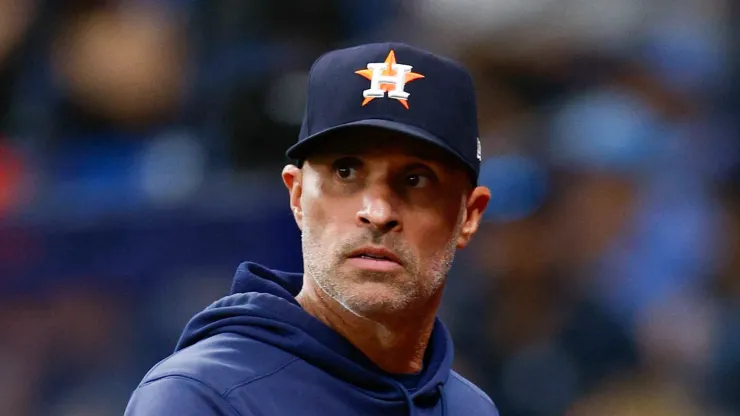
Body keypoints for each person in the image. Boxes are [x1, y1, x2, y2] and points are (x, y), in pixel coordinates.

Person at [124, 42, 496, 415]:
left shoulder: (471, 408)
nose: (378, 212)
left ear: (469, 216)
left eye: (415, 179)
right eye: (345, 172)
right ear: (297, 195)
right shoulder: (201, 397)